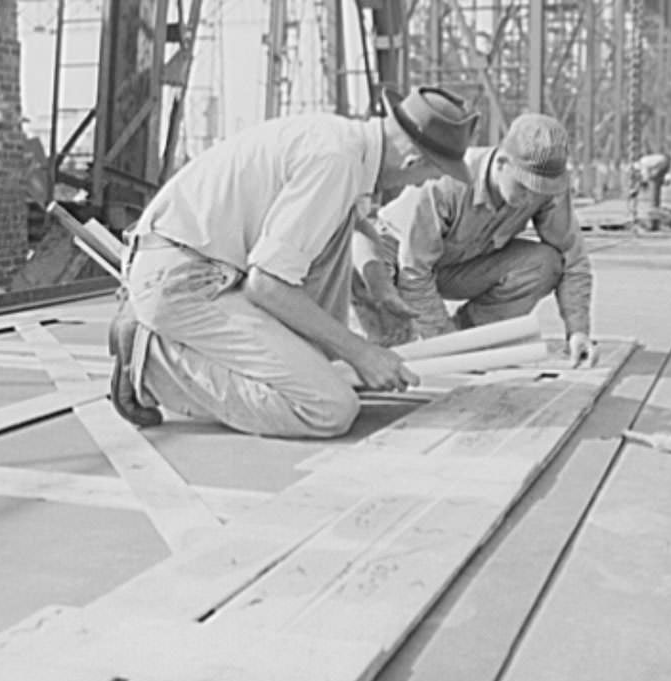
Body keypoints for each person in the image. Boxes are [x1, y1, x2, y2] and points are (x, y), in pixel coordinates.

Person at [109, 85, 480, 438]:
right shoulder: (336, 161)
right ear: (414, 159)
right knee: (330, 407)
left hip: (195, 264)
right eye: (432, 173)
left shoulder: (345, 142)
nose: (420, 185)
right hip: (184, 283)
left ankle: (312, 362)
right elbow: (266, 284)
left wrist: (381, 287)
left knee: (333, 360)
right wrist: (361, 352)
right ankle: (153, 358)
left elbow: (355, 226)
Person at [352, 113, 596, 368]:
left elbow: (572, 258)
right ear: (502, 163)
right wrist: (442, 343)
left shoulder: (545, 190)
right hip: (399, 264)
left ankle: (472, 339)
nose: (531, 199)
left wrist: (578, 331)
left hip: (457, 263)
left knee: (546, 263)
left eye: (541, 192)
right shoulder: (446, 182)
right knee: (397, 352)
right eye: (523, 187)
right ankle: (395, 341)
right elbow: (415, 273)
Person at [632, 152, 671, 231]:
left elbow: (645, 175)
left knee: (653, 181)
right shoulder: (645, 161)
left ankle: (654, 218)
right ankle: (654, 216)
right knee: (655, 181)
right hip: (665, 161)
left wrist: (643, 183)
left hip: (663, 162)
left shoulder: (643, 164)